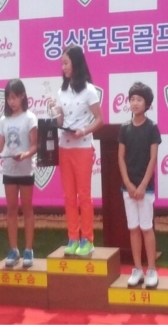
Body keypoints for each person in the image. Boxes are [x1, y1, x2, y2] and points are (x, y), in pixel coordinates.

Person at [48, 45, 103, 256]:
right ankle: (72, 237)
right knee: (69, 196)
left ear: (76, 63)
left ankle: (87, 239)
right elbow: (60, 121)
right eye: (62, 63)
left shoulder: (89, 90)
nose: (63, 67)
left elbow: (99, 119)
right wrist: (53, 110)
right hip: (65, 146)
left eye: (66, 63)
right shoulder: (61, 91)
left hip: (83, 147)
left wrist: (84, 130)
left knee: (84, 195)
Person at [0, 79, 38, 268]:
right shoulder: (3, 120)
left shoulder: (30, 118)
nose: (11, 101)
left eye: (14, 97)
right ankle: (13, 249)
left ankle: (29, 249)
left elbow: (35, 145)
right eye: (8, 98)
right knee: (11, 209)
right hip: (9, 171)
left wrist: (25, 155)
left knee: (27, 209)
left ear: (22, 96)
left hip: (26, 169)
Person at [118, 82, 162, 288]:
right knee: (133, 228)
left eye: (139, 99)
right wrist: (128, 183)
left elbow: (153, 158)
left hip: (146, 188)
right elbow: (120, 157)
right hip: (128, 188)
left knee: (146, 227)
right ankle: (137, 269)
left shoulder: (152, 128)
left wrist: (143, 185)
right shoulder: (124, 128)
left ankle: (151, 269)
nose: (135, 103)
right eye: (132, 99)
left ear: (147, 104)